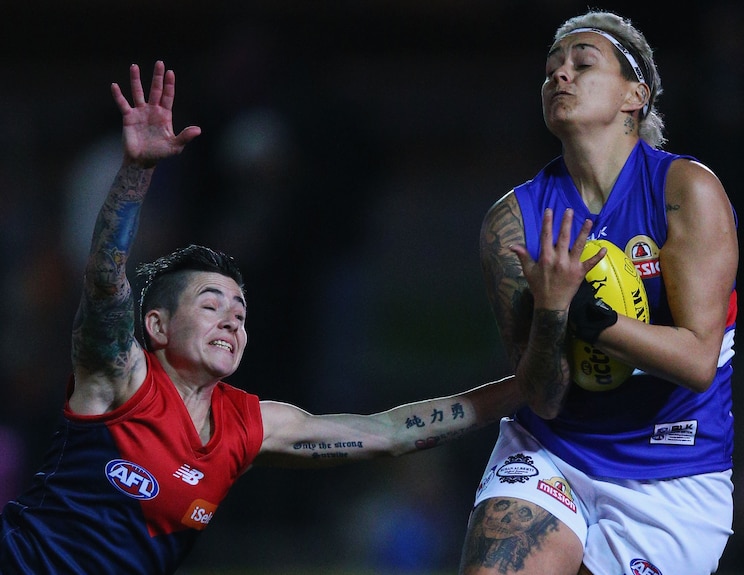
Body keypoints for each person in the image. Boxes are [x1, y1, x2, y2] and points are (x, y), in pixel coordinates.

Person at [0, 60, 524, 575]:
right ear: (156, 326)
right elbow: (103, 278)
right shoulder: (119, 376)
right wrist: (136, 173)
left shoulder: (248, 426)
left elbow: (390, 432)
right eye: (210, 305)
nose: (231, 320)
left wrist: (524, 386)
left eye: (239, 312)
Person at [460, 10, 738, 575]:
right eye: (551, 71)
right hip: (553, 450)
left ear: (635, 94)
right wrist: (551, 315)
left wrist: (586, 315)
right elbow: (541, 396)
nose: (561, 75)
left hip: (671, 467)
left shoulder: (685, 189)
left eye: (583, 63)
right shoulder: (513, 222)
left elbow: (696, 360)